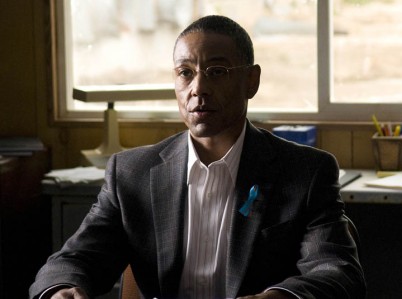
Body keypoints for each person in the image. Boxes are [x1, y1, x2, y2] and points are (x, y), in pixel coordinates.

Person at [30, 15, 366, 299]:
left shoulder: (306, 172)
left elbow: (337, 271)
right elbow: (76, 257)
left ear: (252, 80)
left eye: (217, 72)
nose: (198, 88)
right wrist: (64, 288)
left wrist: (277, 297)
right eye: (185, 73)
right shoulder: (132, 172)